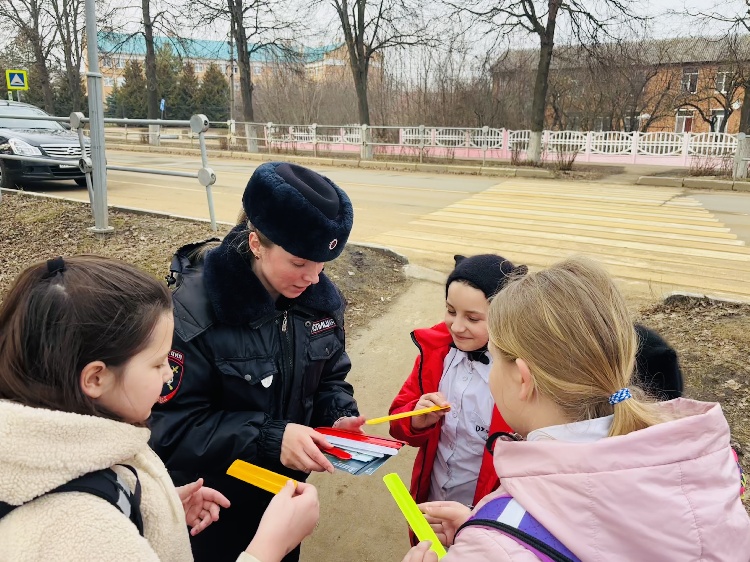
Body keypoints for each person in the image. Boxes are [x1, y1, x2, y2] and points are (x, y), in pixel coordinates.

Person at [400, 256, 750, 561]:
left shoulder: (493, 544)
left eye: (495, 358)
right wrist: (492, 527)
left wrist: (494, 536)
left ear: (522, 378)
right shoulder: (708, 470)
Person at [0, 256, 320, 562]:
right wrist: (268, 547)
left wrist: (153, 510)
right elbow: (95, 533)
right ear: (96, 378)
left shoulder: (79, 447)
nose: (170, 373)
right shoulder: (76, 526)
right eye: (158, 363)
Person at [149, 162, 364, 562]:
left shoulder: (320, 303)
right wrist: (269, 437)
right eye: (299, 263)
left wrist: (336, 416)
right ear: (256, 244)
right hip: (211, 507)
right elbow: (169, 427)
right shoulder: (192, 315)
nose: (313, 278)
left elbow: (332, 377)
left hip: (283, 503)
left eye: (321, 264)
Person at [388, 254, 521, 520]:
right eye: (450, 311)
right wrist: (416, 419)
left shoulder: (519, 378)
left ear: (505, 316)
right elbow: (397, 421)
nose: (457, 327)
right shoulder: (435, 353)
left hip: (488, 513)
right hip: (433, 497)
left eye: (473, 318)